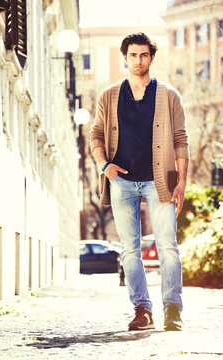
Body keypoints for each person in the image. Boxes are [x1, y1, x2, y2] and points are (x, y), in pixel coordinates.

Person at [90, 32, 189, 331]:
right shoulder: (108, 96)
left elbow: (181, 140)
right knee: (130, 249)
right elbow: (96, 135)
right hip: (121, 181)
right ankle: (142, 310)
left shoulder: (169, 95)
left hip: (160, 181)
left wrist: (181, 182)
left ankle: (172, 309)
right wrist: (104, 165)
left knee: (167, 246)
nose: (138, 60)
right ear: (125, 58)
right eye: (132, 55)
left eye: (143, 55)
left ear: (151, 58)